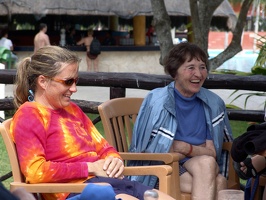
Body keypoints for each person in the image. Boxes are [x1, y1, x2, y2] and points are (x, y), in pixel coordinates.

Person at [10, 45, 175, 200]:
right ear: (43, 81)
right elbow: (35, 171)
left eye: (76, 81)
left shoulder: (72, 110)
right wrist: (90, 168)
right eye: (68, 82)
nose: (74, 88)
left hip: (107, 184)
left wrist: (113, 160)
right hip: (77, 192)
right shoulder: (29, 115)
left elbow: (104, 147)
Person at [129, 42, 233, 200]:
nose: (198, 74)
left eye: (202, 67)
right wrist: (197, 150)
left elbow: (212, 152)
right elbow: (148, 150)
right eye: (191, 67)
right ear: (174, 72)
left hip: (200, 167)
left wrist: (184, 147)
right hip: (163, 170)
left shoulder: (212, 104)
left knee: (207, 163)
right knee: (219, 182)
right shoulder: (158, 102)